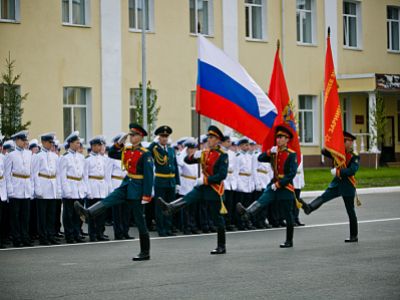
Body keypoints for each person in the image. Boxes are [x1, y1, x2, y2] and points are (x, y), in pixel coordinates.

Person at [75, 123, 154, 261]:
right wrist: (119, 143)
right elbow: (111, 153)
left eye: (134, 135)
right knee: (110, 198)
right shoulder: (128, 150)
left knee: (140, 220)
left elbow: (149, 176)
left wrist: (146, 195)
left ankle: (145, 251)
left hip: (138, 188)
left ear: (140, 137)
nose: (131, 137)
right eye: (130, 135)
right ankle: (89, 213)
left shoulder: (145, 154)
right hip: (126, 184)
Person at [158, 125, 228, 255]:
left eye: (212, 138)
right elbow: (187, 161)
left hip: (214, 189)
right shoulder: (205, 152)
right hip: (202, 187)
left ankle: (221, 245)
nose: (209, 140)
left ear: (218, 140)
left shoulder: (222, 155)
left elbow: (222, 175)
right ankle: (170, 207)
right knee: (189, 197)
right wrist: (192, 156)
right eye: (208, 137)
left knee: (217, 218)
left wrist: (206, 180)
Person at [237, 124, 298, 248]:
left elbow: (291, 173)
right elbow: (260, 158)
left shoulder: (291, 154)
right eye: (278, 137)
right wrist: (269, 152)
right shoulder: (274, 152)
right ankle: (247, 213)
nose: (279, 139)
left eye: (282, 137)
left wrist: (280, 184)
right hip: (273, 183)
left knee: (287, 214)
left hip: (285, 186)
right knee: (263, 199)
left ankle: (289, 240)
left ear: (287, 140)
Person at [301, 131, 360, 243]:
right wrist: (331, 142)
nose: (342, 143)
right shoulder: (337, 153)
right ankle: (309, 208)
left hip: (347, 185)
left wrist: (338, 172)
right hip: (337, 184)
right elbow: (323, 151)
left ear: (350, 142)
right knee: (324, 197)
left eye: (344, 141)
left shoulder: (354, 156)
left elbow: (352, 170)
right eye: (341, 141)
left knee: (350, 211)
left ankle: (354, 236)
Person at [148, 125, 180, 237]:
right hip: (161, 181)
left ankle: (168, 228)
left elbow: (175, 166)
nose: (165, 138)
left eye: (166, 136)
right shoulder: (155, 149)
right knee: (160, 206)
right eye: (162, 136)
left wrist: (177, 182)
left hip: (171, 181)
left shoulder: (171, 150)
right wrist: (154, 143)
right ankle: (161, 229)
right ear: (159, 138)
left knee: (170, 205)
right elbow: (147, 151)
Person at [5, 131, 33, 247]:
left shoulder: (29, 153)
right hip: (16, 187)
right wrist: (10, 189)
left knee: (25, 215)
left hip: (26, 186)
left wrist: (31, 187)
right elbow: (7, 173)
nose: (24, 142)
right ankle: (17, 238)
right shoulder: (11, 154)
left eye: (25, 140)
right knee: (15, 216)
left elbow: (30, 171)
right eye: (22, 140)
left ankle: (25, 237)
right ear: (17, 141)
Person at [32, 132, 60, 245]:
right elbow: (35, 173)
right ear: (43, 142)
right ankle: (43, 236)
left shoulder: (54, 156)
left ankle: (51, 235)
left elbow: (58, 173)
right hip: (43, 185)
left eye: (52, 143)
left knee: (51, 214)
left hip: (52, 186)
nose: (51, 145)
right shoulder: (37, 156)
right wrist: (37, 188)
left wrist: (58, 188)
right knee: (42, 215)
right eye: (49, 142)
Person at [59, 131, 87, 243]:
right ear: (70, 143)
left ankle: (77, 233)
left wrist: (84, 188)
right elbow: (62, 175)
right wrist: (66, 190)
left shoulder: (81, 157)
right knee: (68, 213)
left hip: (79, 187)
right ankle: (69, 234)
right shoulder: (65, 157)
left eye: (79, 143)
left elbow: (83, 174)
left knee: (78, 213)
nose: (78, 145)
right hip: (70, 186)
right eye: (76, 143)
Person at [84, 136, 109, 242]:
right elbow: (85, 176)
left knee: (101, 213)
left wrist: (107, 189)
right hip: (92, 186)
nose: (100, 147)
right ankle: (92, 234)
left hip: (101, 186)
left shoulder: (104, 158)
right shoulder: (87, 159)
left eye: (100, 145)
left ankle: (100, 233)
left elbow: (106, 175)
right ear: (93, 146)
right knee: (92, 213)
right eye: (98, 145)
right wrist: (88, 190)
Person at [293, 154, 305, 226]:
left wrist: (302, 181)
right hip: (293, 180)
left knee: (297, 202)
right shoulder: (290, 154)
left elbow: (301, 169)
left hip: (298, 180)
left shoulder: (300, 155)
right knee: (292, 202)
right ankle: (292, 219)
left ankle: (296, 218)